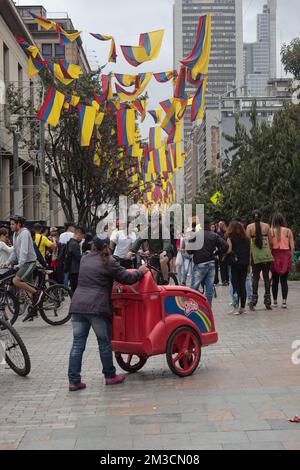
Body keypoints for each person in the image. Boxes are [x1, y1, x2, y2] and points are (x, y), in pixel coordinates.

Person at [68, 237, 148, 391]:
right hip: (96, 307)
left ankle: (74, 381)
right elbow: (127, 278)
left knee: (78, 344)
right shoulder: (108, 261)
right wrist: (141, 271)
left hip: (77, 305)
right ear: (107, 246)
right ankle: (110, 376)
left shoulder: (84, 259)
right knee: (104, 343)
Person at [2, 216, 43, 309]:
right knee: (28, 288)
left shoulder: (24, 233)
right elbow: (15, 251)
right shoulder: (15, 234)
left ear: (19, 224)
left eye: (12, 224)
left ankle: (38, 293)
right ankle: (33, 310)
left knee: (15, 281)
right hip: (24, 263)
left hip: (29, 263)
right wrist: (7, 263)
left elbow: (24, 251)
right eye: (10, 224)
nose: (11, 226)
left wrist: (19, 265)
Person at [188, 217, 228, 306]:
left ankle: (192, 307)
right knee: (209, 289)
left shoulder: (195, 235)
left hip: (199, 264)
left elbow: (189, 250)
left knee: (194, 287)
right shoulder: (214, 235)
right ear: (210, 225)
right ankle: (208, 308)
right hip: (211, 263)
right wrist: (217, 252)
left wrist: (196, 252)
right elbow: (225, 246)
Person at [246, 210, 274, 311]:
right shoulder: (267, 226)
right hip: (266, 255)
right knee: (266, 277)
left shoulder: (249, 227)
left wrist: (248, 259)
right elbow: (271, 242)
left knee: (255, 278)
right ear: (261, 217)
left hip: (255, 256)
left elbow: (247, 244)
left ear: (252, 217)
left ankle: (253, 301)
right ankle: (267, 301)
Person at [131, 219, 173, 284]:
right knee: (153, 272)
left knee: (163, 260)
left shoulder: (164, 230)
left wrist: (165, 250)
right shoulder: (147, 230)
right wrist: (132, 251)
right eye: (151, 221)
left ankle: (165, 280)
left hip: (166, 251)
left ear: (159, 221)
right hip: (154, 252)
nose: (152, 223)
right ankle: (155, 288)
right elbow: (139, 240)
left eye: (154, 221)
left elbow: (166, 241)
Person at [226, 221, 251, 315]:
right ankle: (243, 308)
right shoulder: (247, 239)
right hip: (244, 264)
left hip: (235, 265)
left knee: (235, 286)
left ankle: (236, 308)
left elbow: (229, 251)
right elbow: (249, 253)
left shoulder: (231, 238)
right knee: (243, 285)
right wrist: (249, 265)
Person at [270, 213, 294, 309]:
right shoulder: (288, 231)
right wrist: (290, 256)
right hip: (285, 255)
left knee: (274, 281)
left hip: (274, 255)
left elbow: (269, 245)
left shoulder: (271, 231)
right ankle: (284, 302)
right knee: (284, 281)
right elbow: (292, 246)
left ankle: (275, 302)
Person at [65, 227, 86, 294]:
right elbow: (78, 257)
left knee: (73, 288)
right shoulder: (74, 244)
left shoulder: (70, 242)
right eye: (82, 237)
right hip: (75, 270)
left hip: (72, 269)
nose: (82, 239)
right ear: (79, 235)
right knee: (75, 289)